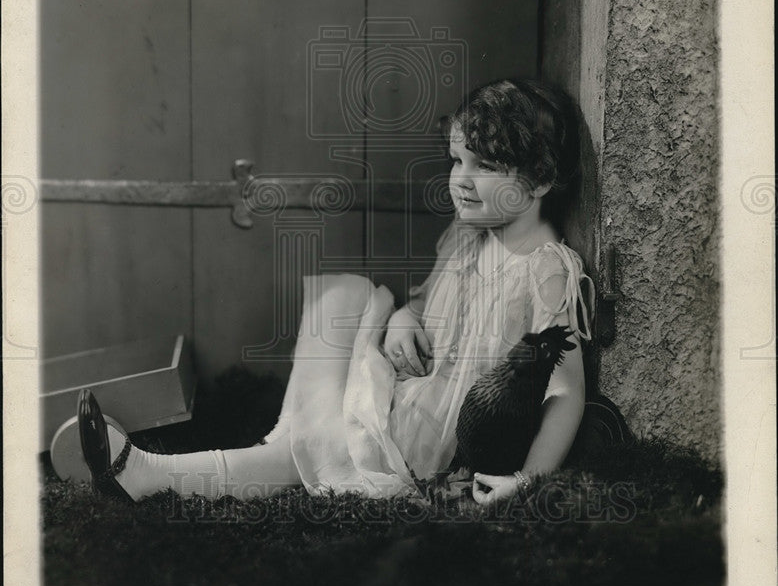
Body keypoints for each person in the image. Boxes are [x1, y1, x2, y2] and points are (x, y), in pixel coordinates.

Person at [78, 78, 594, 506]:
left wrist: (526, 480)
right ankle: (294, 439)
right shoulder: (468, 234)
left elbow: (566, 392)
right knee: (343, 296)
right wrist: (406, 318)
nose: (461, 179)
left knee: (303, 445)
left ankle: (150, 474)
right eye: (457, 160)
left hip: (428, 434)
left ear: (539, 181)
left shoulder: (545, 269)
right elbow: (425, 298)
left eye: (485, 166)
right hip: (409, 377)